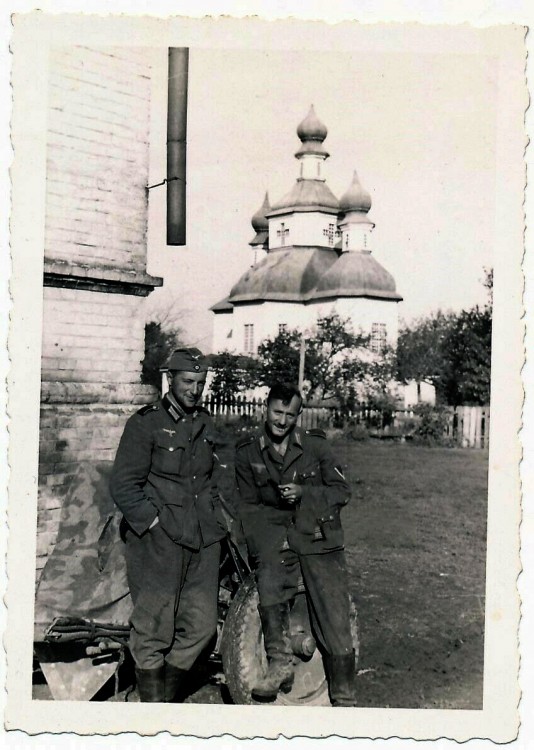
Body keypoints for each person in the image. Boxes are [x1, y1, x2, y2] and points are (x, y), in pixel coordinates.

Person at [110, 347, 227, 702]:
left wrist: (220, 521)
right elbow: (123, 484)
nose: (195, 389)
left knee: (202, 628)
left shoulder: (207, 423)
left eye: (201, 383)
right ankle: (154, 712)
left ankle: (167, 698)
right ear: (170, 380)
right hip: (159, 542)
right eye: (188, 381)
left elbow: (217, 476)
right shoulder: (144, 423)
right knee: (153, 630)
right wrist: (153, 523)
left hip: (202, 538)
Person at [235, 382, 357, 706]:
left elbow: (341, 492)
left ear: (298, 415)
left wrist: (306, 495)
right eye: (277, 412)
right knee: (269, 578)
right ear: (266, 408)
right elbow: (247, 507)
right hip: (277, 534)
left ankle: (344, 698)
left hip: (317, 534)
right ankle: (279, 664)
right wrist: (264, 545)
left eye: (290, 414)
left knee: (334, 611)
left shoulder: (315, 447)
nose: (282, 420)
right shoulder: (248, 450)